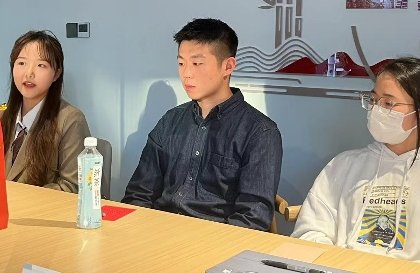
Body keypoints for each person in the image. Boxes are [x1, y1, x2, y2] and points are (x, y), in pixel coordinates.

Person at [122, 18, 282, 230]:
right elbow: (139, 194)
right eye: (181, 63)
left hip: (215, 240)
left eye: (197, 63)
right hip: (158, 233)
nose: (186, 73)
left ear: (228, 66)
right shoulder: (171, 120)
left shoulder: (259, 132)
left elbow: (251, 219)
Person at [292, 57, 420, 261]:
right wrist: (335, 262)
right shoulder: (344, 165)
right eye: (373, 100)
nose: (376, 109)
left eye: (388, 103)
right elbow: (309, 231)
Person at [1, 30, 91, 192]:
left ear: (56, 74)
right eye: (21, 63)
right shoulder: (0, 115)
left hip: (37, 207)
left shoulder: (70, 119)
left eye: (41, 65)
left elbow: (72, 187)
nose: (29, 73)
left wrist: (20, 198)